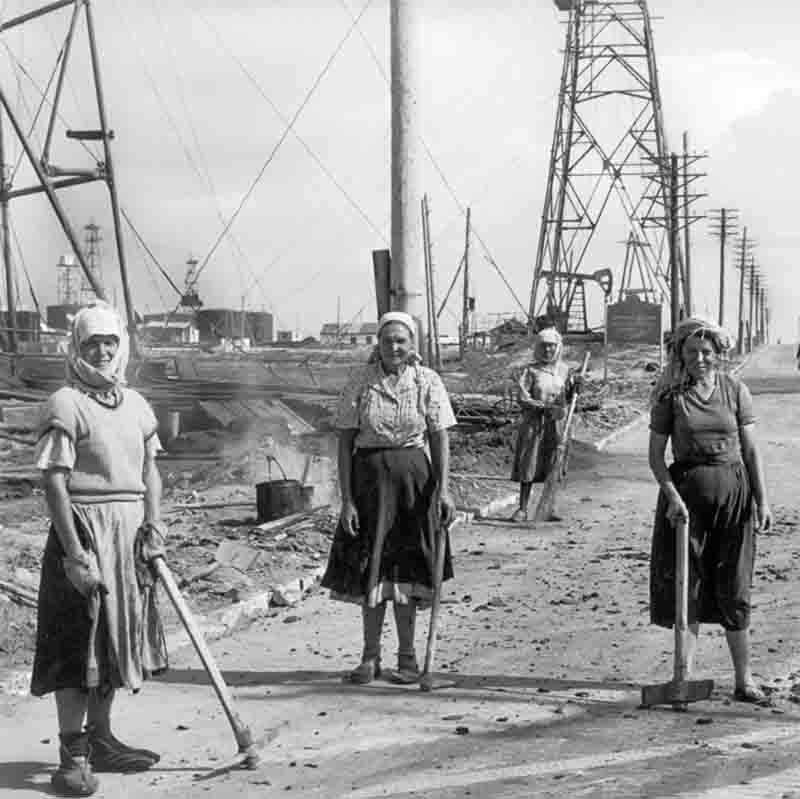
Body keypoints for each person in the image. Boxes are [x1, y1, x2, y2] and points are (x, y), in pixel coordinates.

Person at [31, 302, 168, 796]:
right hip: (84, 531)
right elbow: (54, 482)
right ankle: (72, 754)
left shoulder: (135, 403)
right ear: (76, 349)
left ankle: (102, 739)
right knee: (76, 644)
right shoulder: (64, 404)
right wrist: (73, 554)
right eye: (92, 343)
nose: (103, 350)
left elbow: (150, 471)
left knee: (113, 642)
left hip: (128, 532)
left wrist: (154, 525)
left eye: (110, 342)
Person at [321, 311, 457, 684]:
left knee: (407, 571)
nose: (393, 347)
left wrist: (443, 490)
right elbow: (345, 440)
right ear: (377, 344)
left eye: (401, 340)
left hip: (415, 487)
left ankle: (408, 659)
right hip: (369, 487)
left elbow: (439, 438)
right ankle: (369, 657)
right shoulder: (360, 382)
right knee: (373, 569)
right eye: (386, 340)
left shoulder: (428, 381)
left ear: (412, 344)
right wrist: (347, 499)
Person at [648, 317, 771, 703]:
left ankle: (743, 679)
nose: (699, 358)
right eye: (691, 352)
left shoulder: (735, 390)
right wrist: (672, 497)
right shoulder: (671, 397)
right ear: (681, 356)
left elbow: (750, 451)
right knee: (689, 587)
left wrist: (762, 500)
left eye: (706, 352)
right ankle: (682, 679)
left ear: (717, 355)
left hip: (734, 496)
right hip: (686, 504)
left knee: (734, 586)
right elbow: (655, 457)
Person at [510, 326, 580, 522]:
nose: (548, 350)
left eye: (552, 346)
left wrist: (576, 387)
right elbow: (523, 398)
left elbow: (569, 397)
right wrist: (542, 406)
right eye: (544, 346)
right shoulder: (530, 371)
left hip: (557, 425)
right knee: (529, 463)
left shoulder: (564, 371)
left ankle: (549, 505)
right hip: (535, 424)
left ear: (558, 348)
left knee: (554, 463)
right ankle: (522, 509)